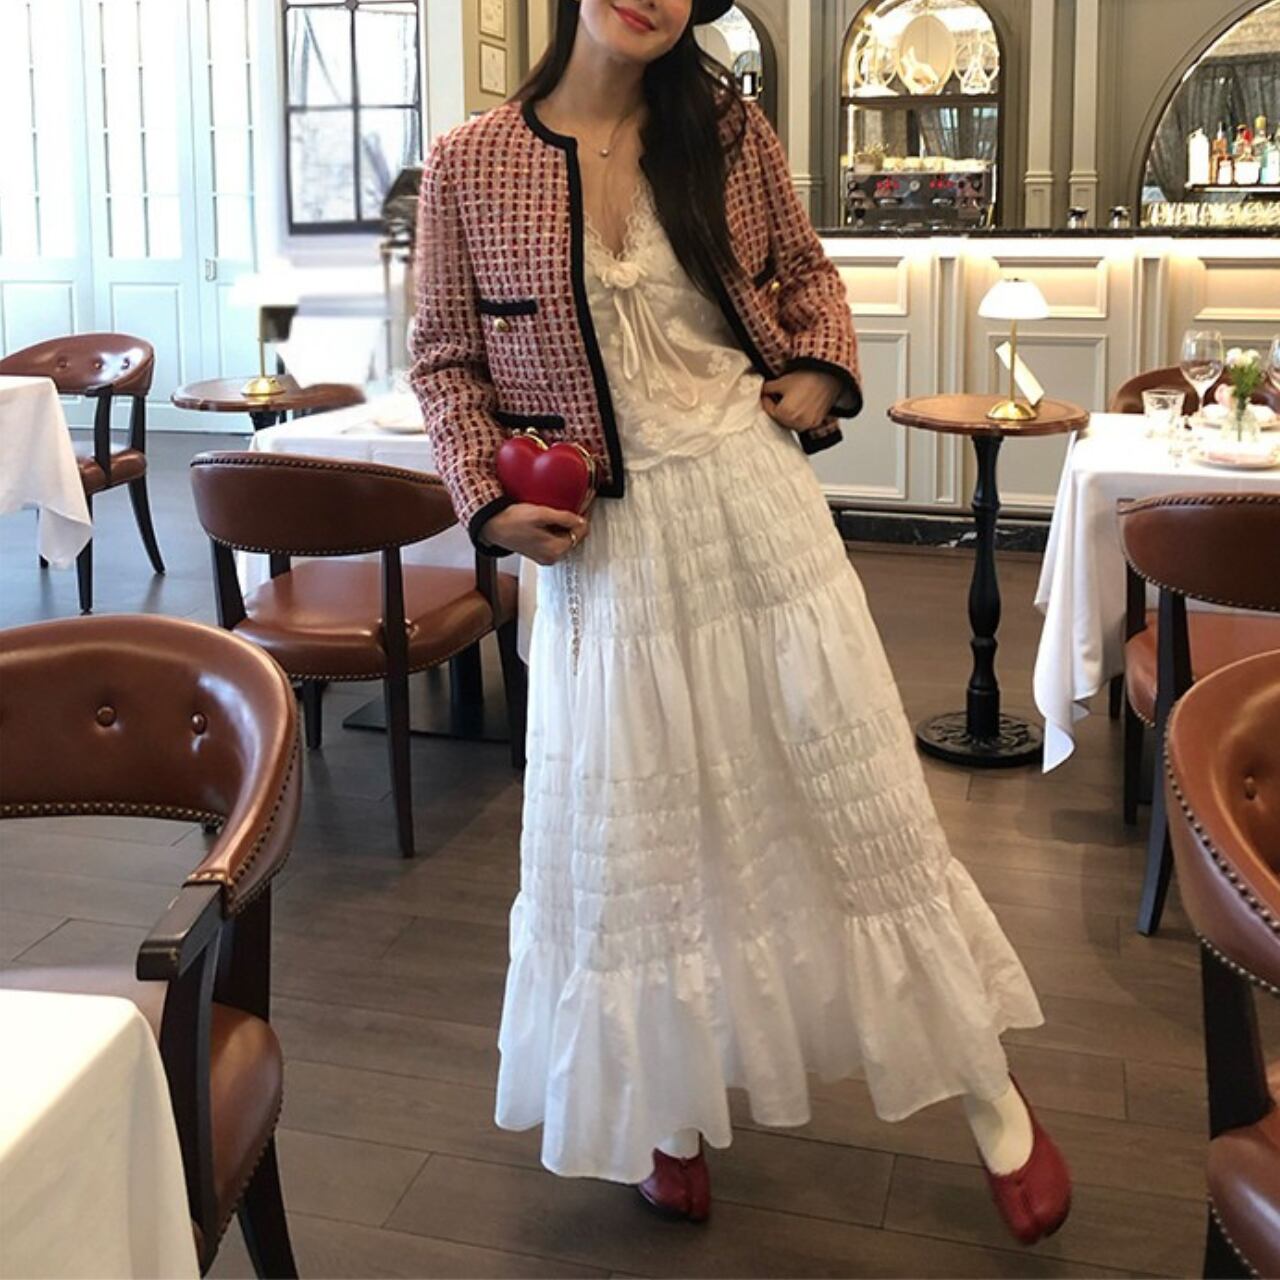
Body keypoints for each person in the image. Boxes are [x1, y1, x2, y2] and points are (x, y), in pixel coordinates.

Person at [410, 0, 1071, 1246]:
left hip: (753, 504)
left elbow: (806, 275)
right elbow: (446, 358)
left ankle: (986, 1084)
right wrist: (482, 495)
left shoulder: (725, 126)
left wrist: (821, 363)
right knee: (637, 832)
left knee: (850, 797)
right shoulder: (469, 162)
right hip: (604, 542)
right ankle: (662, 1104)